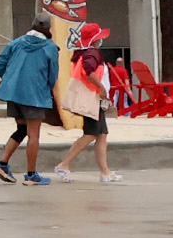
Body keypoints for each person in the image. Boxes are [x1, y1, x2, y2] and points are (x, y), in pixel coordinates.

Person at [46, 24, 124, 184]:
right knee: (91, 133)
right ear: (95, 40)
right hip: (93, 99)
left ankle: (105, 172)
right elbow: (89, 71)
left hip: (93, 99)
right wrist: (101, 88)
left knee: (101, 134)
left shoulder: (82, 53)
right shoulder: (93, 53)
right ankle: (64, 164)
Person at [0, 19, 62, 184]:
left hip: (14, 93)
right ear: (48, 29)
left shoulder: (18, 42)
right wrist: (46, 89)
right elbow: (53, 75)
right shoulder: (50, 47)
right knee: (33, 134)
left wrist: (10, 78)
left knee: (21, 129)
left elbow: (0, 62)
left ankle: (2, 163)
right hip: (35, 95)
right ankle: (31, 175)